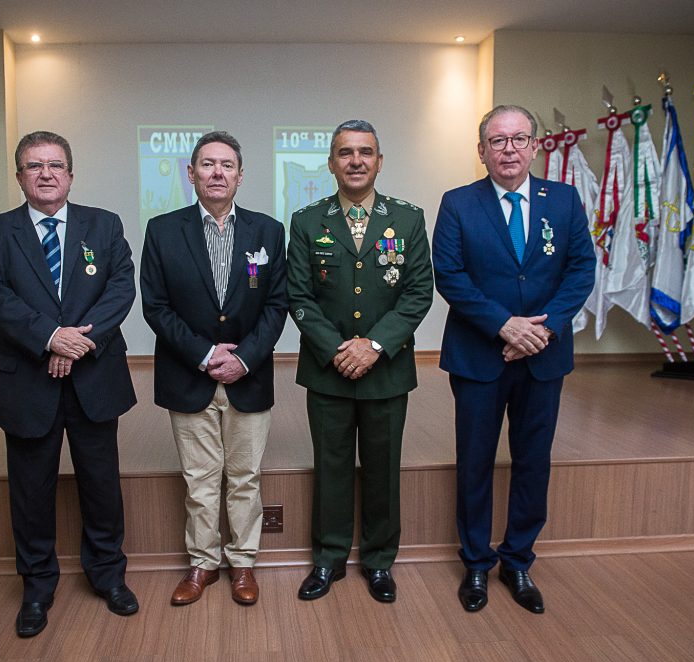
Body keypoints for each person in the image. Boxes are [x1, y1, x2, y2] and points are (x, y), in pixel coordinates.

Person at [0, 131, 139, 637]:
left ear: (70, 174)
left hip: (94, 375)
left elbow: (121, 287)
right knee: (30, 490)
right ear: (19, 176)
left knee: (101, 485)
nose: (46, 174)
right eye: (34, 165)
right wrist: (49, 337)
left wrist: (76, 342)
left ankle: (108, 576)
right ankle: (37, 586)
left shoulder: (104, 225)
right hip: (27, 380)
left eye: (55, 165)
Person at [432, 105, 595, 614]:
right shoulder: (458, 203)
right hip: (479, 357)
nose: (509, 149)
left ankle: (519, 560)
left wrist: (542, 329)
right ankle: (477, 564)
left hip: (544, 356)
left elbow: (581, 269)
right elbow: (449, 274)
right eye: (497, 141)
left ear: (534, 146)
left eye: (518, 139)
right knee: (475, 462)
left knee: (532, 461)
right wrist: (505, 325)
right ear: (481, 151)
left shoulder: (563, 200)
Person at [287, 120, 433, 603]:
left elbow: (418, 293)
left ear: (379, 161)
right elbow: (298, 296)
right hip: (327, 371)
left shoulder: (408, 219)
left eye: (365, 152)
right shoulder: (307, 221)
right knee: (329, 467)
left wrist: (373, 346)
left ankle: (378, 561)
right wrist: (337, 349)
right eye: (345, 153)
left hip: (387, 370)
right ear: (331, 163)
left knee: (382, 470)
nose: (356, 161)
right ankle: (328, 559)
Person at [140, 131, 287, 606]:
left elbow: (277, 305)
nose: (217, 172)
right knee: (200, 480)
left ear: (241, 176)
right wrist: (205, 355)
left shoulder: (268, 231)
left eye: (227, 165)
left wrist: (243, 358)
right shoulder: (162, 230)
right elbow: (156, 307)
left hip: (249, 375)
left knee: (245, 477)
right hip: (188, 375)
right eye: (207, 164)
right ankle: (202, 563)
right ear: (191, 174)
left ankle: (243, 563)